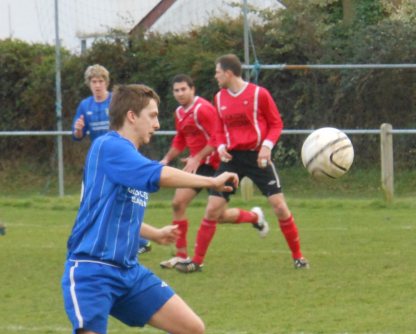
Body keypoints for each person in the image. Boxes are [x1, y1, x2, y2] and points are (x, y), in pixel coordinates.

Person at [8, 84, 239, 334]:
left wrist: (152, 234)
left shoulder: (128, 157)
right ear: (131, 116)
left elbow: (114, 211)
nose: (157, 124)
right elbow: (159, 177)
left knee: (190, 328)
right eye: (152, 116)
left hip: (127, 271)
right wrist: (211, 180)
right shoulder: (109, 146)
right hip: (92, 270)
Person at [174, 54, 309, 273]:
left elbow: (276, 123)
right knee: (212, 210)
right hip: (232, 160)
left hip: (257, 158)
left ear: (228, 73)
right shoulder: (219, 98)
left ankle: (298, 257)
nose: (215, 76)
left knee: (279, 207)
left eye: (217, 72)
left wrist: (266, 146)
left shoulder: (259, 94)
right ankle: (196, 262)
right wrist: (220, 147)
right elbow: (218, 129)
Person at [158, 74, 268, 269]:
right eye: (176, 90)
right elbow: (180, 139)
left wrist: (198, 156)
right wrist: (167, 159)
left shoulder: (204, 109)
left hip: (216, 164)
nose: (180, 93)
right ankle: (181, 256)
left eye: (184, 89)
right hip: (198, 165)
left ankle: (254, 217)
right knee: (178, 203)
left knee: (218, 215)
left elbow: (217, 138)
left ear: (192, 89)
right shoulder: (179, 112)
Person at [72, 64, 153, 254]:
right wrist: (77, 130)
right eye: (94, 81)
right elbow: (77, 135)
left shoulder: (115, 102)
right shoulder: (85, 105)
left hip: (121, 158)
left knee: (127, 199)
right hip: (100, 161)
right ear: (89, 84)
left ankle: (137, 239)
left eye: (101, 81)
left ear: (106, 82)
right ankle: (138, 240)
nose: (98, 85)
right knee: (93, 201)